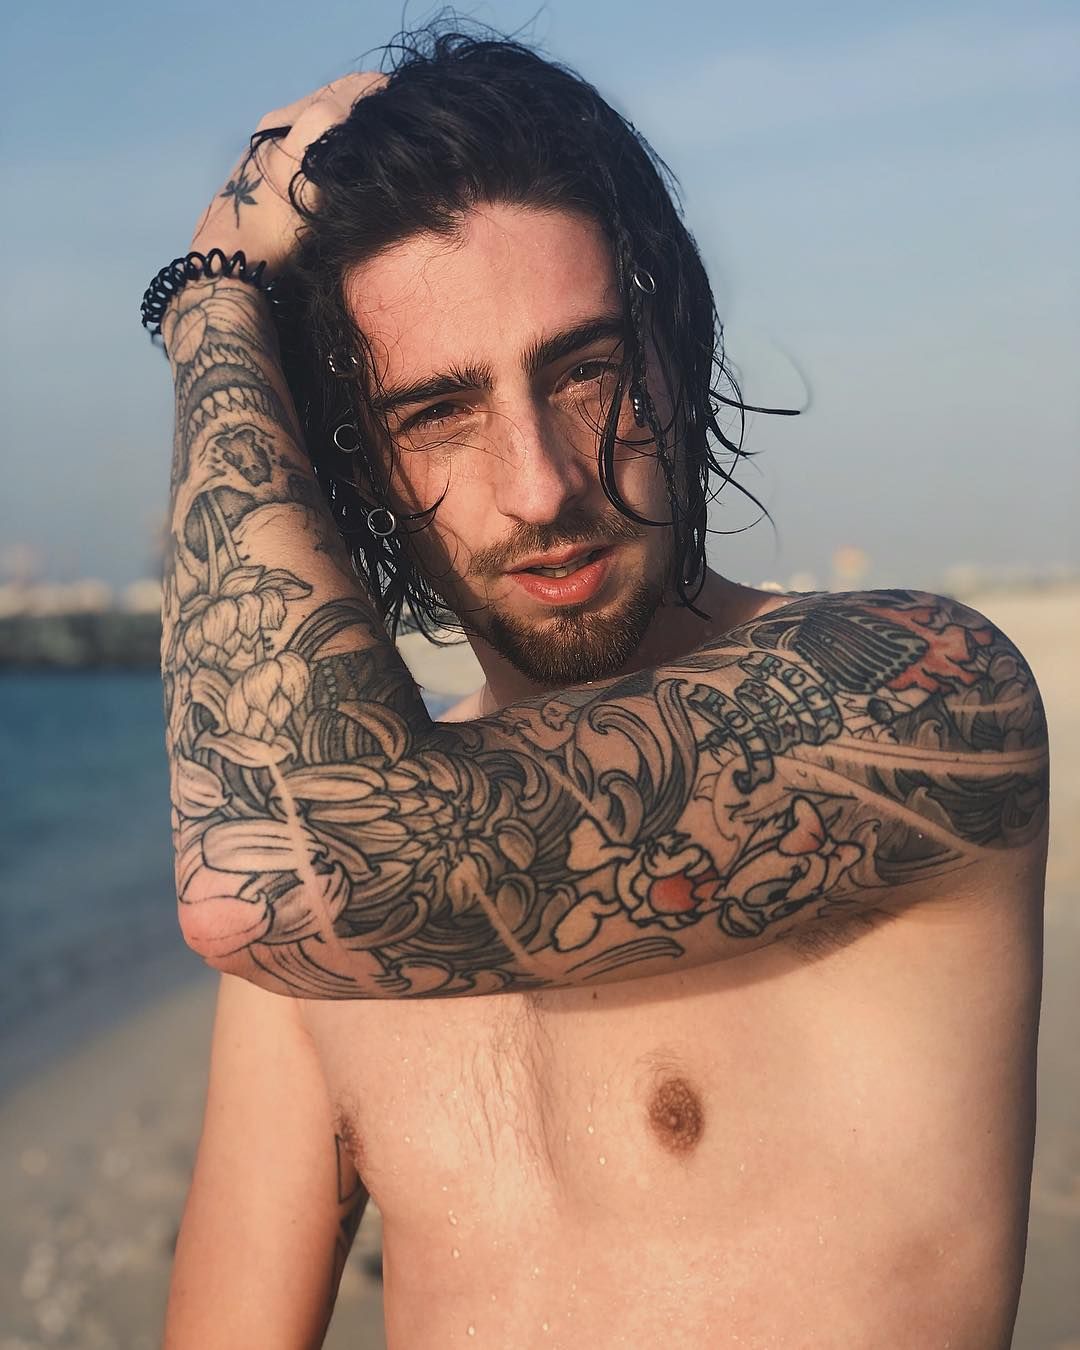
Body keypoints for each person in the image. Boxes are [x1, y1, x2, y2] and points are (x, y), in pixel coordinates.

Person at [154, 31, 1049, 1349]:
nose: (540, 484)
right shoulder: (322, 928)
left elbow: (264, 867)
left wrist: (210, 293)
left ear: (674, 357)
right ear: (359, 473)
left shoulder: (921, 702)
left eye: (583, 372)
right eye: (438, 413)